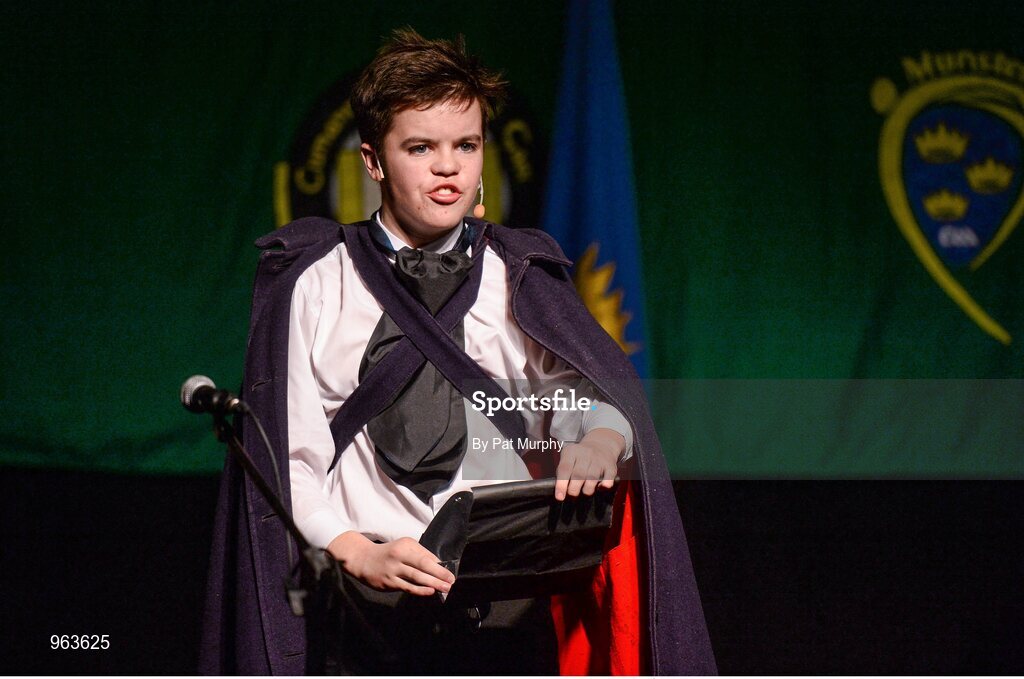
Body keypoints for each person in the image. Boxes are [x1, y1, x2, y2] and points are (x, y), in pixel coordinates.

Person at [201, 28, 715, 676]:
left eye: (465, 145)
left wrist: (602, 436)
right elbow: (291, 462)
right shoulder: (315, 283)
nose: (448, 166)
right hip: (367, 610)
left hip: (507, 611)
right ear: (372, 160)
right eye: (420, 147)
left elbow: (578, 393)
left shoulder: (518, 273)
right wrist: (358, 551)